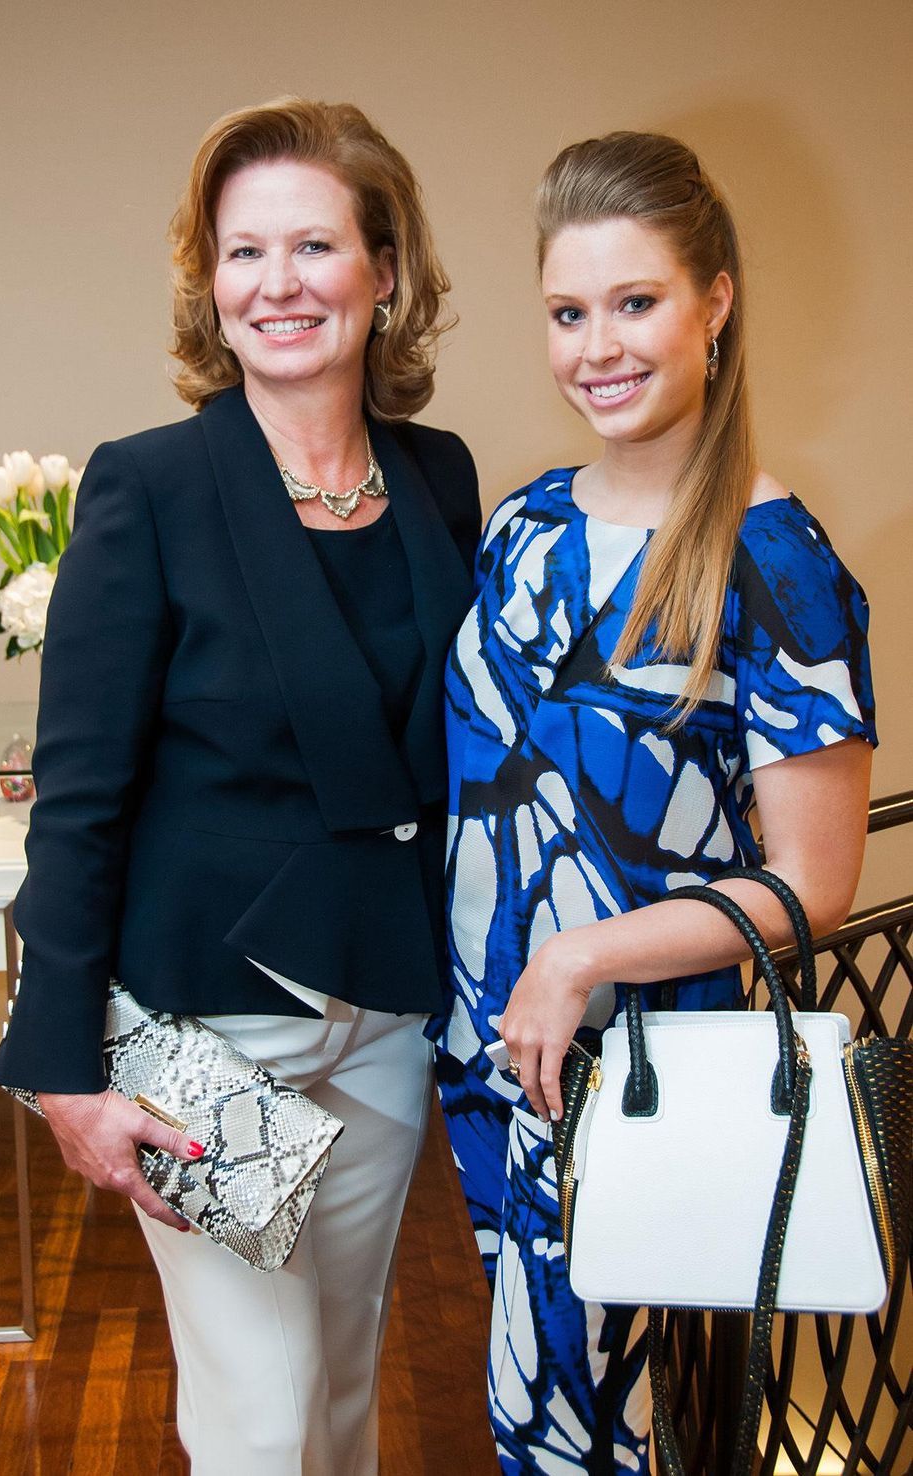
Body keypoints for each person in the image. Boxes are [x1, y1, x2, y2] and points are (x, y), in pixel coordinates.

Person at [0, 98, 481, 1476]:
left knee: (338, 1392)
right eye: (243, 251)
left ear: (385, 270)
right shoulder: (147, 487)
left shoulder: (441, 481)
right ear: (210, 279)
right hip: (202, 1030)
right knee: (260, 1419)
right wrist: (63, 1067)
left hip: (381, 1010)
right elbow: (81, 797)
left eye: (314, 245)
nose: (278, 284)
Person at [431, 131, 876, 1474]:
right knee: (539, 1416)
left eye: (637, 303)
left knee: (587, 1433)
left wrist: (582, 956)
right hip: (497, 1058)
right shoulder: (524, 524)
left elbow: (815, 880)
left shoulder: (775, 564)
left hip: (637, 1078)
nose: (597, 347)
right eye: (570, 312)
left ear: (716, 301)